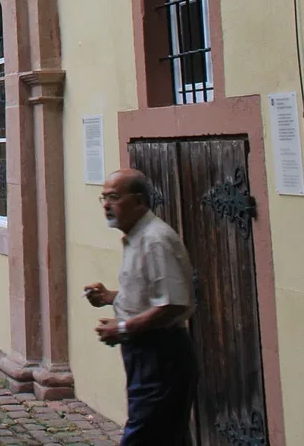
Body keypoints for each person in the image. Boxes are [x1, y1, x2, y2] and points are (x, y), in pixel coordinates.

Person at [83, 168, 198, 445]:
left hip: (160, 355)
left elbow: (172, 304)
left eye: (114, 197)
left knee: (143, 434)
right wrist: (111, 297)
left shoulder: (155, 240)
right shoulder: (137, 236)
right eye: (103, 199)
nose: (107, 206)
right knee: (168, 435)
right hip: (146, 354)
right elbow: (151, 295)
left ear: (139, 201)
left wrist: (122, 328)